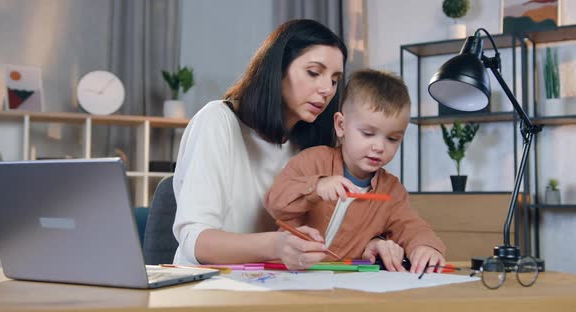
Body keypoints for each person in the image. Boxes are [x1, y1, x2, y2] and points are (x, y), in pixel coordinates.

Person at [172, 19, 349, 266]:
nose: (327, 89)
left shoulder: (312, 144)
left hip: (278, 285)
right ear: (277, 69)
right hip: (209, 286)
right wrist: (276, 245)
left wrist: (374, 242)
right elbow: (196, 241)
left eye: (334, 79)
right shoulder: (217, 121)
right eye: (313, 72)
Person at [265, 69, 446, 273]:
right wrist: (316, 187)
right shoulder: (312, 161)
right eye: (368, 133)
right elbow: (275, 202)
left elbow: (411, 226)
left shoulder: (392, 190)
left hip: (347, 281)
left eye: (393, 139)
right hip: (292, 274)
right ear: (341, 125)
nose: (379, 146)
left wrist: (426, 247)